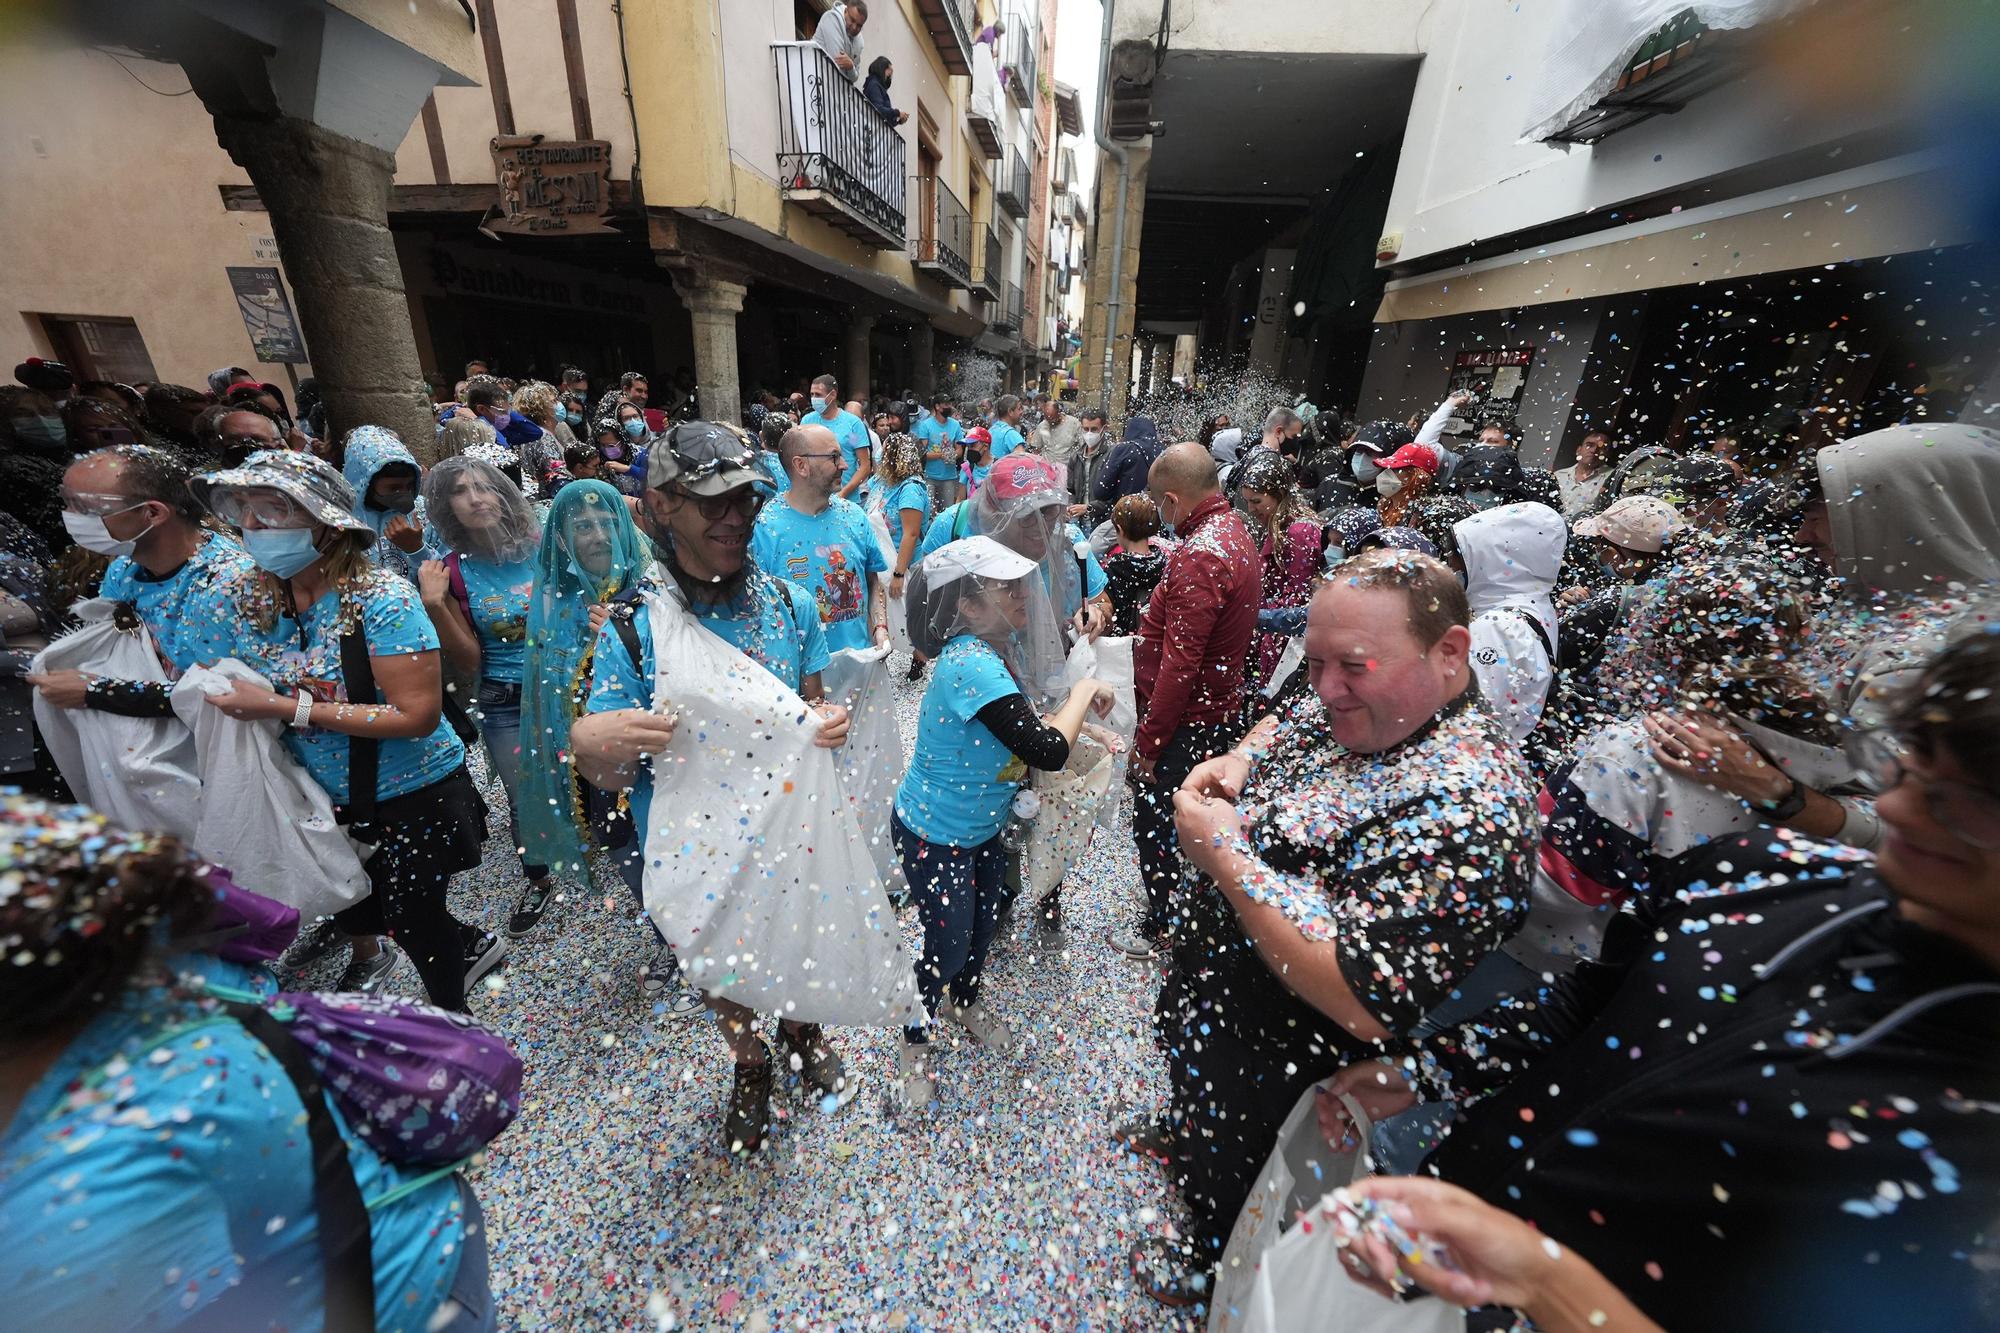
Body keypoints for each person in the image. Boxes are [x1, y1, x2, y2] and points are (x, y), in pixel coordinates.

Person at [1324, 633, 2000, 1332]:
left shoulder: (1977, 1157)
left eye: (1969, 804)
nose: (1899, 812)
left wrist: (1544, 1283)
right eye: (1912, 771)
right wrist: (1431, 1068)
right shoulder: (1768, 869)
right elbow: (1587, 1003)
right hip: (1432, 1253)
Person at [1128, 550, 1538, 1303]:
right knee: (1198, 1114)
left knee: (1240, 1179)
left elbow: (1362, 994)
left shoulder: (1473, 803)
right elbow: (1293, 714)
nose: (1327, 687)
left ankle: (1209, 1266)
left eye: (1352, 666)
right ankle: (1187, 1141)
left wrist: (1222, 851)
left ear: (1449, 652)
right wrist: (1243, 756)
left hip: (1281, 1059)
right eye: (1314, 661)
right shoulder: (1355, 695)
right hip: (1214, 1005)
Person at [0, 794, 497, 1332]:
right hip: (410, 1234)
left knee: (414, 911)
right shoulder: (154, 966)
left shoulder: (81, 1187)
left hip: (400, 1297)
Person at [569, 423, 854, 1153]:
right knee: (717, 964)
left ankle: (801, 1030)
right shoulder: (635, 628)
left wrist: (827, 719)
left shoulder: (792, 605)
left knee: (794, 940)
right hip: (693, 839)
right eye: (713, 502)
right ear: (661, 505)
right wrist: (590, 746)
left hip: (787, 826)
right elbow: (610, 770)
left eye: (747, 501)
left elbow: (808, 704)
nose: (736, 518)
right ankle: (750, 1063)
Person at [187, 450, 503, 1008]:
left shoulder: (381, 598)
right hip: (323, 794)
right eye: (245, 513)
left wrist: (287, 709)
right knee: (367, 907)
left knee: (412, 915)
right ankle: (468, 944)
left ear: (325, 523)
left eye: (272, 513)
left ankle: (453, 1021)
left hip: (414, 794)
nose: (253, 529)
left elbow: (416, 716)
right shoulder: (254, 599)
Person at [891, 536, 1113, 1109]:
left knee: (984, 924)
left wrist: (1086, 727)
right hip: (935, 835)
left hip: (982, 829)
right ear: (967, 604)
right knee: (947, 939)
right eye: (1004, 587)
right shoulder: (968, 662)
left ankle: (965, 999)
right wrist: (1087, 690)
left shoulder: (997, 649)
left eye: (1021, 584)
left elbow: (1022, 719)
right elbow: (1044, 747)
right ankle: (915, 1033)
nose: (1021, 595)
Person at [1115, 443, 1261, 961]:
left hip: (1188, 720)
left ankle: (1164, 925)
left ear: (1174, 500)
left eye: (1162, 506)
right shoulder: (1235, 531)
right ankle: (1181, 907)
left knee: (1158, 819)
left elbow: (1182, 663)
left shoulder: (1201, 553)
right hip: (1215, 709)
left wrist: (1151, 742)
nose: (1161, 517)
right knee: (1193, 815)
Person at [414, 456, 557, 938]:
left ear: (503, 493)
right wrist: (435, 606)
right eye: (460, 490)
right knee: (521, 795)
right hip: (504, 697)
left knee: (594, 775)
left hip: (569, 685)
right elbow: (470, 661)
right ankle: (538, 877)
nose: (475, 498)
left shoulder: (544, 547)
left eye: (483, 487)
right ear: (446, 506)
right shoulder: (450, 572)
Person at [29, 447, 252, 727]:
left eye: (85, 506)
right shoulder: (124, 568)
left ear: (152, 513)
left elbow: (223, 695)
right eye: (66, 501)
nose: (69, 515)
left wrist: (99, 692)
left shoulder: (229, 585)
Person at [753, 424, 891, 655]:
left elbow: (872, 580)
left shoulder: (855, 515)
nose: (845, 465)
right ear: (801, 465)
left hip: (859, 665)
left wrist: (880, 627)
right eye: (834, 457)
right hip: (801, 675)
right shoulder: (765, 528)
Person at [1450, 501, 1567, 745]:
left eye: (1458, 555)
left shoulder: (1498, 626)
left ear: (1493, 558)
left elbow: (1469, 716)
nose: (1449, 564)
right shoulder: (1532, 603)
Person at [1236, 453, 1321, 701]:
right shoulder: (1282, 525)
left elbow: (1296, 598)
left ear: (1279, 495)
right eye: (1247, 502)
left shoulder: (1299, 531)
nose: (1251, 509)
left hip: (1286, 642)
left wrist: (1256, 616)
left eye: (1257, 501)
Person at [340, 424, 438, 583]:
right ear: (366, 484)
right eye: (394, 488)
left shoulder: (426, 511)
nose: (404, 493)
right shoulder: (345, 520)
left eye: (409, 486)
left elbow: (448, 570)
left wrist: (417, 548)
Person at [871, 428, 930, 619]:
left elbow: (910, 534)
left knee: (903, 621)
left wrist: (899, 574)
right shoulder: (882, 482)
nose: (880, 454)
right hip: (881, 565)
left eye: (885, 449)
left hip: (903, 567)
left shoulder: (910, 489)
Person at [803, 372, 873, 500]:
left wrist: (843, 493)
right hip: (815, 500)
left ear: (833, 394)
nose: (814, 399)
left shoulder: (852, 424)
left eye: (818, 395)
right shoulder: (806, 421)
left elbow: (865, 466)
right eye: (812, 394)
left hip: (847, 500)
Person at [1103, 493, 1167, 635]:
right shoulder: (1164, 563)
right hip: (1154, 638)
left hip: (1121, 644)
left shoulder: (1115, 568)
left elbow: (1106, 606)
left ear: (1120, 530)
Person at [1087, 413, 1163, 526]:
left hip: (1126, 521)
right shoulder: (1164, 452)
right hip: (1155, 522)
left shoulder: (1125, 449)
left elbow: (1100, 491)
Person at [915, 393, 965, 511]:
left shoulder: (955, 425)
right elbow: (922, 454)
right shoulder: (925, 425)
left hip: (949, 476)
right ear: (937, 407)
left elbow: (959, 449)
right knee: (928, 511)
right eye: (946, 404)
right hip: (929, 476)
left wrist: (953, 455)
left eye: (950, 404)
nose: (950, 407)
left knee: (947, 511)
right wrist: (941, 455)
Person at [1372, 440, 1438, 528]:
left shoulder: (1420, 518)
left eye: (1395, 469)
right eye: (1386, 469)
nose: (1384, 473)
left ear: (1415, 477)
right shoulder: (1383, 505)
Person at [1554, 429, 1613, 516]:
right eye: (1589, 445)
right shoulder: (1558, 476)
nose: (1594, 450)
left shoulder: (1611, 480)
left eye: (1602, 448)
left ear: (1607, 454)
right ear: (1579, 450)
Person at [1030, 395, 1083, 485]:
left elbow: (1083, 446)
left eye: (1053, 419)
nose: (1051, 422)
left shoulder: (1073, 424)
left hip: (1067, 470)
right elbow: (1036, 450)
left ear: (1059, 412)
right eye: (1048, 419)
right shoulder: (1042, 426)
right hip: (1047, 471)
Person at [812, 0, 868, 82]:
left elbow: (855, 78)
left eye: (859, 25)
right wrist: (851, 68)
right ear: (845, 11)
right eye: (852, 20)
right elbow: (838, 61)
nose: (854, 27)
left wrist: (851, 66)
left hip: (832, 88)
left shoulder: (860, 42)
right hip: (814, 80)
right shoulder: (831, 18)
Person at [862, 55, 907, 125]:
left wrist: (898, 121)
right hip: (871, 125)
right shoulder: (874, 85)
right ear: (882, 68)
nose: (889, 74)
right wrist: (897, 113)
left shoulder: (878, 86)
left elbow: (884, 117)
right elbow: (878, 109)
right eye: (889, 70)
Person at [987, 394, 1027, 466]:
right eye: (1019, 409)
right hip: (1004, 476)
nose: (1022, 412)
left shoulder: (991, 430)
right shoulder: (1011, 434)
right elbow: (1021, 464)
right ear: (1010, 412)